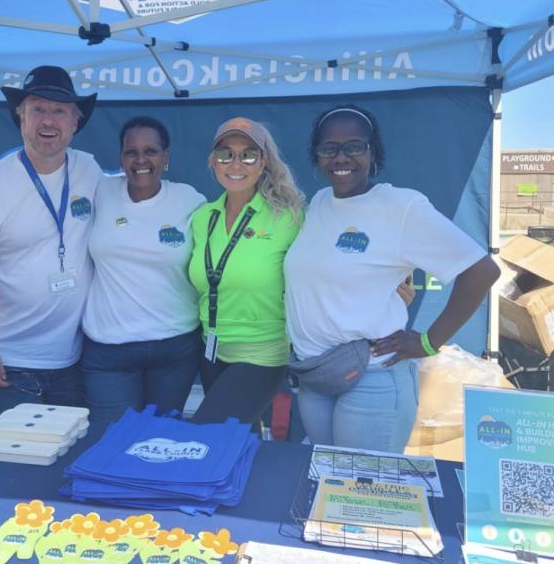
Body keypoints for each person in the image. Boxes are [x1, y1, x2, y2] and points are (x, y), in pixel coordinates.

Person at [284, 105, 500, 453]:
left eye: (354, 146)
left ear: (373, 151)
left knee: (363, 495)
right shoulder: (319, 203)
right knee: (327, 483)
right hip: (316, 376)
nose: (342, 157)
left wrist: (429, 342)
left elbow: (482, 271)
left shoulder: (401, 207)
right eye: (329, 148)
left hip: (372, 377)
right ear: (317, 155)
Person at [0, 66, 101, 410]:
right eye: (38, 109)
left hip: (73, 363)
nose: (49, 121)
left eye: (59, 111)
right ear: (20, 118)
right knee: (9, 461)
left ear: (75, 122)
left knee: (67, 456)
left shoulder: (89, 170)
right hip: (9, 363)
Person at [81, 116, 206, 422]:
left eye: (150, 151)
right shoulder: (100, 192)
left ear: (166, 157)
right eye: (131, 152)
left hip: (174, 348)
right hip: (109, 350)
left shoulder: (190, 200)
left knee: (159, 444)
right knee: (110, 442)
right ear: (121, 158)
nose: (140, 160)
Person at [187, 117, 305, 427]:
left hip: (262, 355)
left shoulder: (289, 218)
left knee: (208, 435)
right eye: (226, 154)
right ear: (213, 161)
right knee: (236, 445)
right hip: (211, 352)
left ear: (263, 162)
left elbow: (328, 263)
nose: (236, 163)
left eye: (248, 154)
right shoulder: (203, 217)